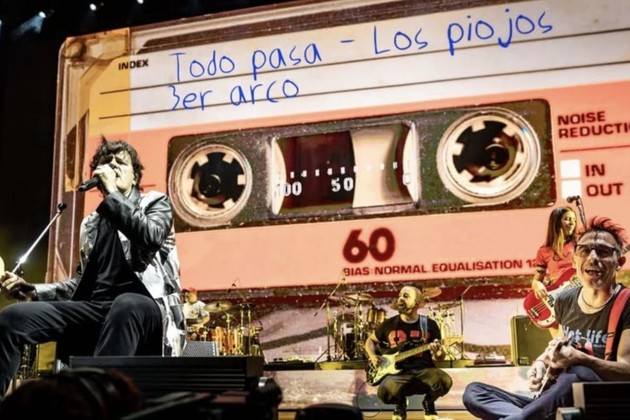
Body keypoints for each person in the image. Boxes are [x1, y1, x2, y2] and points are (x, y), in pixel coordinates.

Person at [0, 138, 186, 399]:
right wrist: (35, 291)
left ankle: (97, 404)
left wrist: (113, 195)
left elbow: (150, 237)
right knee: (12, 318)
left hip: (147, 307)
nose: (113, 166)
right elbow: (81, 283)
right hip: (98, 308)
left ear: (135, 177)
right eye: (107, 162)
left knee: (125, 304)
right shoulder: (91, 224)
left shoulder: (155, 203)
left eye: (121, 162)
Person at [463, 216, 630, 420]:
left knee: (579, 373)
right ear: (574, 260)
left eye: (603, 252)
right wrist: (542, 362)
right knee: (475, 392)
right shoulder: (565, 300)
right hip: (556, 397)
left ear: (619, 262)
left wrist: (582, 360)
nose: (592, 258)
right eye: (585, 251)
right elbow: (561, 344)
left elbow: (627, 370)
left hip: (600, 401)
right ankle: (533, 416)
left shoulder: (626, 303)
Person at [364, 285, 453, 420]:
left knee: (445, 381)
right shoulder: (389, 324)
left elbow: (439, 358)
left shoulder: (429, 324)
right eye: (400, 295)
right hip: (397, 374)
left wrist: (438, 352)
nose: (400, 299)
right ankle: (400, 402)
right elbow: (370, 340)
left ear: (417, 302)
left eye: (405, 296)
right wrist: (372, 356)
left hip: (424, 370)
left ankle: (428, 402)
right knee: (384, 393)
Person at [529, 206, 577, 337]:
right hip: (556, 298)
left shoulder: (580, 245)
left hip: (579, 295)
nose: (572, 223)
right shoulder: (544, 251)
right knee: (560, 342)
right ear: (556, 222)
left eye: (573, 220)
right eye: (567, 219)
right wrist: (537, 285)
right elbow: (536, 281)